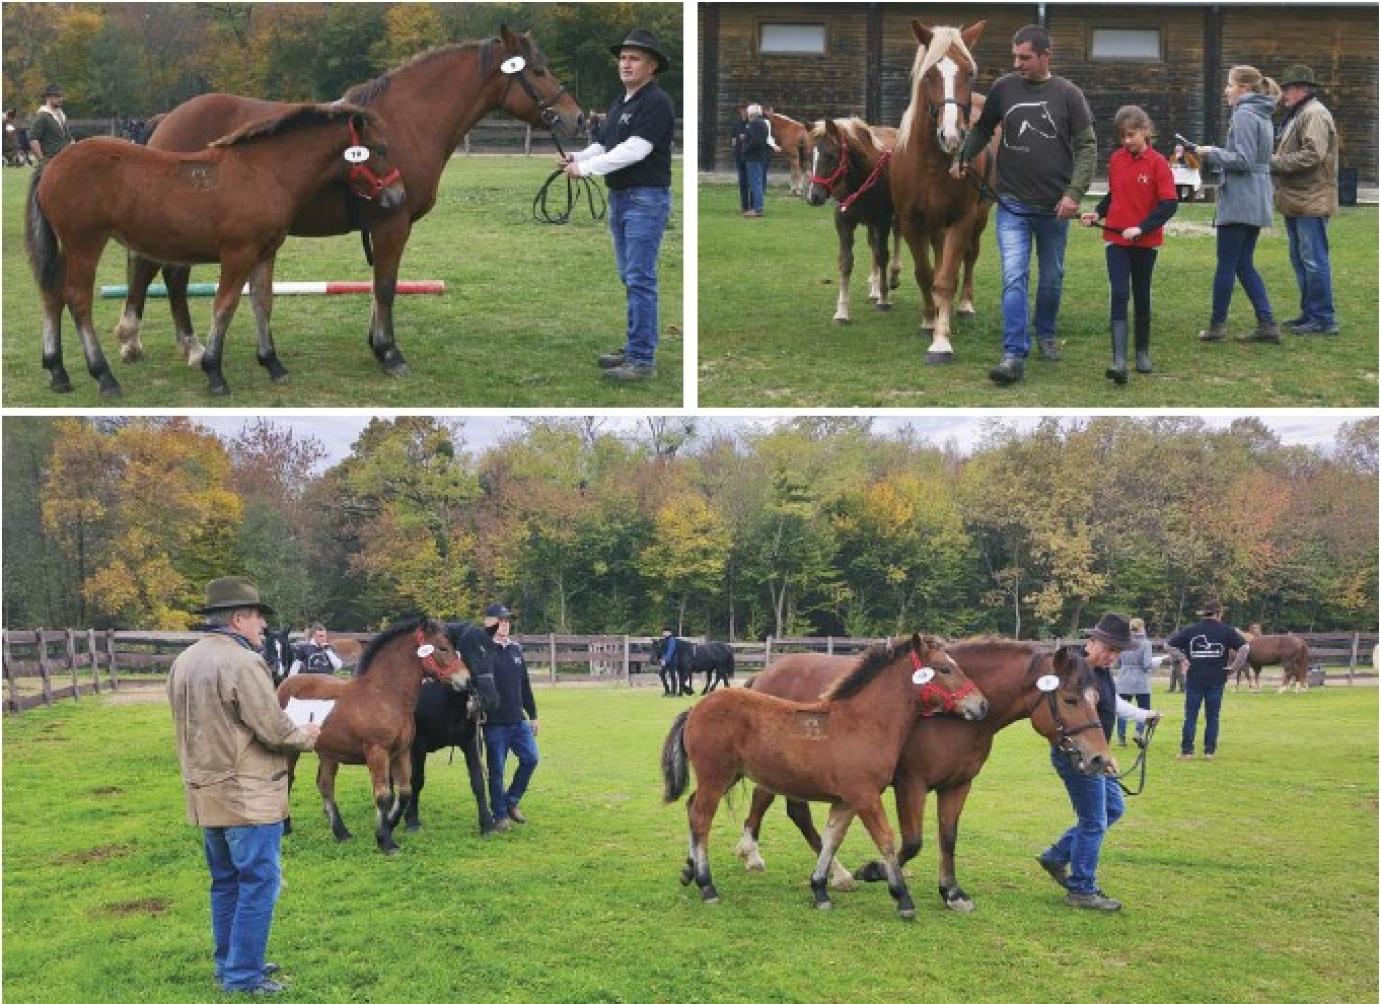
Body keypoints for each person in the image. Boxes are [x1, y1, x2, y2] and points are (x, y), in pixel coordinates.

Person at [168, 577, 320, 995]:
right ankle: (243, 977)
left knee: (226, 883)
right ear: (238, 618)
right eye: (257, 618)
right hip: (247, 798)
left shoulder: (185, 660)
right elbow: (273, 729)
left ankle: (232, 965)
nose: (263, 627)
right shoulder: (243, 662)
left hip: (205, 794)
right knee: (258, 884)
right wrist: (310, 734)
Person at [953, 24, 1096, 386]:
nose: (1018, 64)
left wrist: (1074, 194)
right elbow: (983, 129)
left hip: (1054, 207)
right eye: (1014, 57)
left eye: (1025, 58)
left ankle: (1046, 332)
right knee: (1014, 277)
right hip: (1012, 204)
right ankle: (1013, 354)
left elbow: (1087, 147)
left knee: (1052, 277)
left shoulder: (1069, 95)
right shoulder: (1004, 88)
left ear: (1047, 56)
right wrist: (964, 157)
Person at [561, 29, 675, 383]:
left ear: (652, 66)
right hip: (622, 197)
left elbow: (634, 150)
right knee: (630, 277)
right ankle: (634, 346)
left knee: (640, 279)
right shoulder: (620, 103)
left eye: (635, 58)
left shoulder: (656, 102)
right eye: (623, 57)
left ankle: (642, 359)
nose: (626, 63)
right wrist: (578, 157)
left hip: (645, 198)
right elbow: (605, 145)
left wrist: (587, 169)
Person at [1035, 612, 1160, 912]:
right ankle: (1081, 888)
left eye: (1118, 653)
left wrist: (1143, 715)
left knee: (1113, 809)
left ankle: (1057, 854)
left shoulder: (1099, 671)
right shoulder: (1075, 670)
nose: (1113, 658)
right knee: (1094, 821)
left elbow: (1111, 702)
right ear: (1093, 642)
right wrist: (1103, 754)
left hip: (1096, 753)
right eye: (1110, 651)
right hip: (1078, 754)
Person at [1080, 105, 1177, 383]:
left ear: (1145, 131)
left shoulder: (1158, 163)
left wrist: (1142, 228)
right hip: (1116, 240)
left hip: (1145, 243)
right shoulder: (1117, 159)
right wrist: (1097, 212)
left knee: (1142, 294)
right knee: (1120, 293)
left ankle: (1142, 351)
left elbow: (1169, 204)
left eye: (1131, 135)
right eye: (1123, 136)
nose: (1126, 141)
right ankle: (1119, 360)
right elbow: (1114, 195)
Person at [1191, 66, 1280, 345]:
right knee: (1244, 264)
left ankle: (1217, 326)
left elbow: (1243, 159)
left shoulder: (1243, 114)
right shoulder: (1262, 114)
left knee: (1227, 265)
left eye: (1229, 85)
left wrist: (1210, 152)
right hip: (1257, 197)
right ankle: (1267, 324)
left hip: (1241, 198)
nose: (1226, 91)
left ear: (1243, 88)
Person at [1271, 64, 1339, 336]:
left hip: (1311, 199)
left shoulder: (1314, 115)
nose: (1284, 93)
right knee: (1302, 260)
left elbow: (1312, 155)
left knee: (1313, 261)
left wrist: (1273, 162)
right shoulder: (1302, 112)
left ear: (1301, 89)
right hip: (1299, 200)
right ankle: (1310, 313)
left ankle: (1322, 318)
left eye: (1288, 88)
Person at [480, 603, 539, 832]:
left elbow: (525, 684)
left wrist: (533, 715)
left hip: (518, 721)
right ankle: (500, 815)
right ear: (488, 622)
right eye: (500, 620)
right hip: (494, 723)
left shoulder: (516, 649)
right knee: (496, 772)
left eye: (507, 620)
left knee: (531, 759)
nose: (504, 624)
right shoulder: (483, 651)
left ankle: (511, 801)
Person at [1164, 600, 1249, 760]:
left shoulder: (1191, 630)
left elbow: (1168, 645)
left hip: (1194, 678)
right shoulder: (1226, 630)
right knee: (1213, 716)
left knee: (1190, 716)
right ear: (1219, 613)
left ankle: (1186, 751)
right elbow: (1245, 647)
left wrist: (1183, 658)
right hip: (1217, 678)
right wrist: (1234, 667)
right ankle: (1209, 752)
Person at [1113, 617, 1155, 746]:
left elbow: (1117, 664)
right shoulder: (1145, 643)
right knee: (1144, 708)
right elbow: (1147, 664)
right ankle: (1138, 733)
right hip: (1141, 681)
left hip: (1124, 679)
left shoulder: (1123, 643)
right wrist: (1155, 663)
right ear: (1142, 628)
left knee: (1122, 709)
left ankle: (1121, 737)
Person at [28, 84, 72, 163]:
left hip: (64, 159)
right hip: (50, 160)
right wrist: (42, 160)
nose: (61, 99)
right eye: (57, 96)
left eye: (61, 96)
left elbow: (68, 139)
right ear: (48, 97)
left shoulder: (62, 115)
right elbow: (33, 140)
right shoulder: (42, 116)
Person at [741, 104, 771, 217]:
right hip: (758, 157)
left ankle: (757, 209)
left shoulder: (755, 124)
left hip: (754, 157)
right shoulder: (763, 123)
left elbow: (755, 141)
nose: (747, 115)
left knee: (756, 184)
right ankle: (757, 208)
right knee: (757, 183)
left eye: (748, 113)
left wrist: (744, 148)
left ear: (752, 114)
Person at [731, 103, 751, 213]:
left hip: (749, 156)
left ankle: (752, 205)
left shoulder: (751, 123)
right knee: (742, 181)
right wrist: (734, 148)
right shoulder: (736, 123)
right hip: (739, 155)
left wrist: (746, 137)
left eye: (746, 110)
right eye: (742, 110)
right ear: (740, 111)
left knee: (751, 181)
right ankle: (744, 206)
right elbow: (733, 138)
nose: (744, 112)